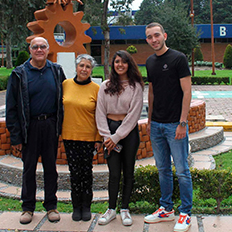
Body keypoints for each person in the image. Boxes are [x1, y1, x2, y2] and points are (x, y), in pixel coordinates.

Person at [6, 37, 66, 225]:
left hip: (50, 126)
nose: (39, 49)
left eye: (42, 47)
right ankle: (27, 208)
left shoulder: (56, 71)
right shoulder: (19, 74)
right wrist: (15, 135)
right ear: (30, 50)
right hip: (29, 127)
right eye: (35, 47)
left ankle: (51, 206)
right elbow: (11, 107)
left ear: (48, 50)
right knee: (29, 168)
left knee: (51, 168)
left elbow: (65, 100)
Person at [143, 23, 193, 232]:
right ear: (147, 40)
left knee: (182, 170)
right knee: (162, 169)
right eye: (149, 37)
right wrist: (150, 119)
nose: (153, 39)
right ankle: (166, 208)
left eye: (156, 35)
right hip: (157, 125)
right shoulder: (150, 62)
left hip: (175, 124)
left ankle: (186, 213)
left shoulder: (178, 58)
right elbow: (152, 91)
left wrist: (182, 122)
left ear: (164, 35)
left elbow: (187, 92)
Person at [95, 50, 144, 226]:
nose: (120, 65)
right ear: (113, 65)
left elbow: (134, 114)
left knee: (128, 172)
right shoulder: (105, 86)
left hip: (128, 132)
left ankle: (125, 209)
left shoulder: (136, 86)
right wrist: (107, 136)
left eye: (123, 62)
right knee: (114, 173)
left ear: (128, 64)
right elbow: (99, 112)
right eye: (117, 62)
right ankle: (111, 209)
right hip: (109, 131)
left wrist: (116, 137)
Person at [61, 54, 101, 222]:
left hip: (88, 138)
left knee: (86, 173)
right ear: (76, 68)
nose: (84, 69)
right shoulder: (65, 84)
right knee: (74, 173)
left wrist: (99, 138)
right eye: (81, 66)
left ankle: (86, 206)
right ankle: (76, 207)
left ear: (91, 70)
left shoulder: (96, 89)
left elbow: (100, 115)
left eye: (88, 67)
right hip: (69, 136)